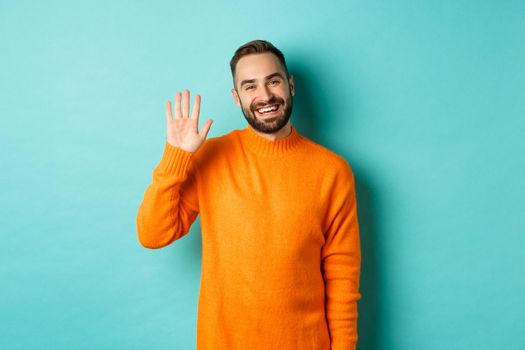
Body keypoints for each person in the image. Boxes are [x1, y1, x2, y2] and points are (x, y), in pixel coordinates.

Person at [136, 39, 362, 350]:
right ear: (236, 96)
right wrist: (176, 157)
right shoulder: (210, 157)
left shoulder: (332, 171)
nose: (265, 96)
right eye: (250, 86)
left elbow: (342, 280)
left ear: (290, 85)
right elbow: (152, 234)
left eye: (273, 81)